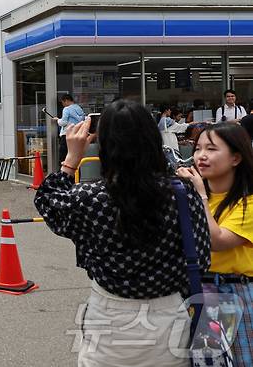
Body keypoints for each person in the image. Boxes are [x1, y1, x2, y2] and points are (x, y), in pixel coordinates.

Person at [34, 100, 211, 366]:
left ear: (105, 146)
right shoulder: (182, 193)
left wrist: (71, 159)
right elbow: (202, 256)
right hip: (169, 314)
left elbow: (49, 203)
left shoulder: (90, 197)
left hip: (109, 314)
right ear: (153, 139)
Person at [178, 123, 253, 366]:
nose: (201, 156)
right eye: (198, 148)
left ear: (236, 158)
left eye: (211, 149)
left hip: (236, 294)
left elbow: (217, 241)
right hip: (198, 293)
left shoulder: (248, 202)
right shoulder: (187, 195)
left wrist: (199, 195)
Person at [53, 94, 85, 162]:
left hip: (67, 134)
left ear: (66, 101)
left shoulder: (66, 109)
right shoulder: (79, 108)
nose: (63, 105)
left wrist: (58, 120)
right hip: (77, 133)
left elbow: (63, 122)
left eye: (63, 103)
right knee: (74, 153)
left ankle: (63, 171)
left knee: (64, 154)